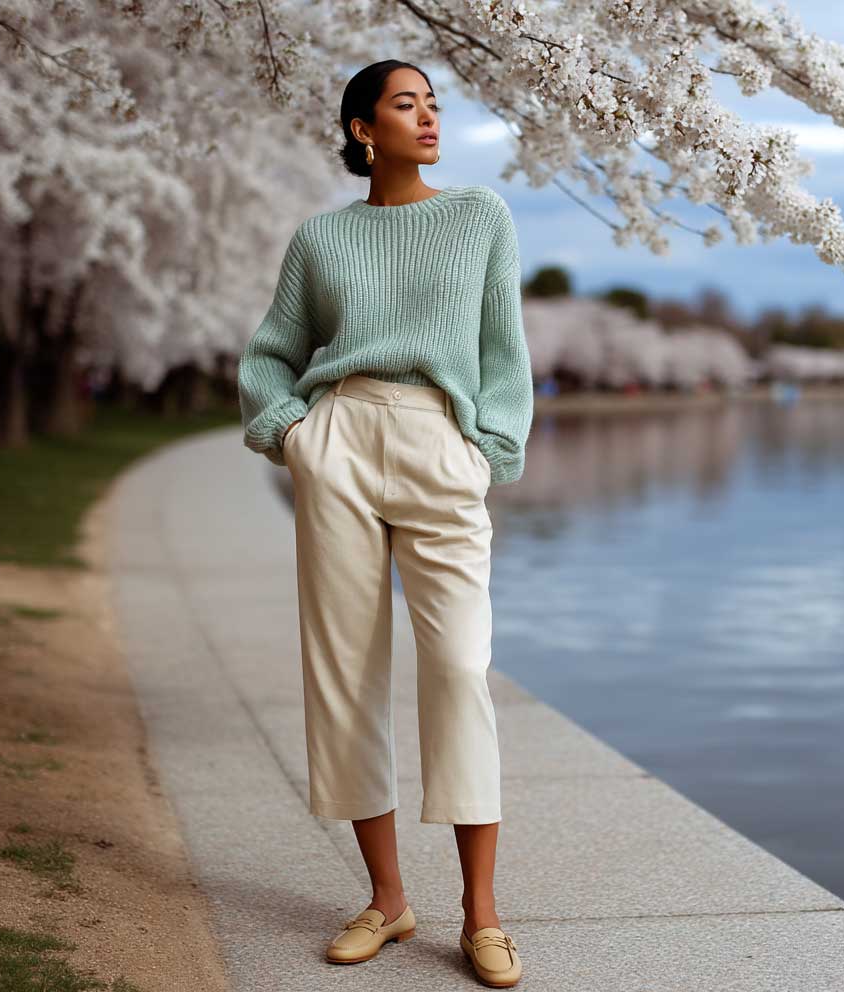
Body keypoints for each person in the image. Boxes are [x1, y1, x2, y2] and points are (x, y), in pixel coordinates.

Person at [236, 59, 532, 987]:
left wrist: (488, 446)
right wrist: (294, 432)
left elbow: (501, 349)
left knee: (457, 668)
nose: (430, 118)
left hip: (440, 443)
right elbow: (272, 353)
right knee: (345, 673)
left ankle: (481, 913)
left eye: (436, 105)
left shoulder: (479, 216)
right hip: (341, 444)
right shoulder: (320, 240)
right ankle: (388, 900)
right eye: (408, 104)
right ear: (364, 128)